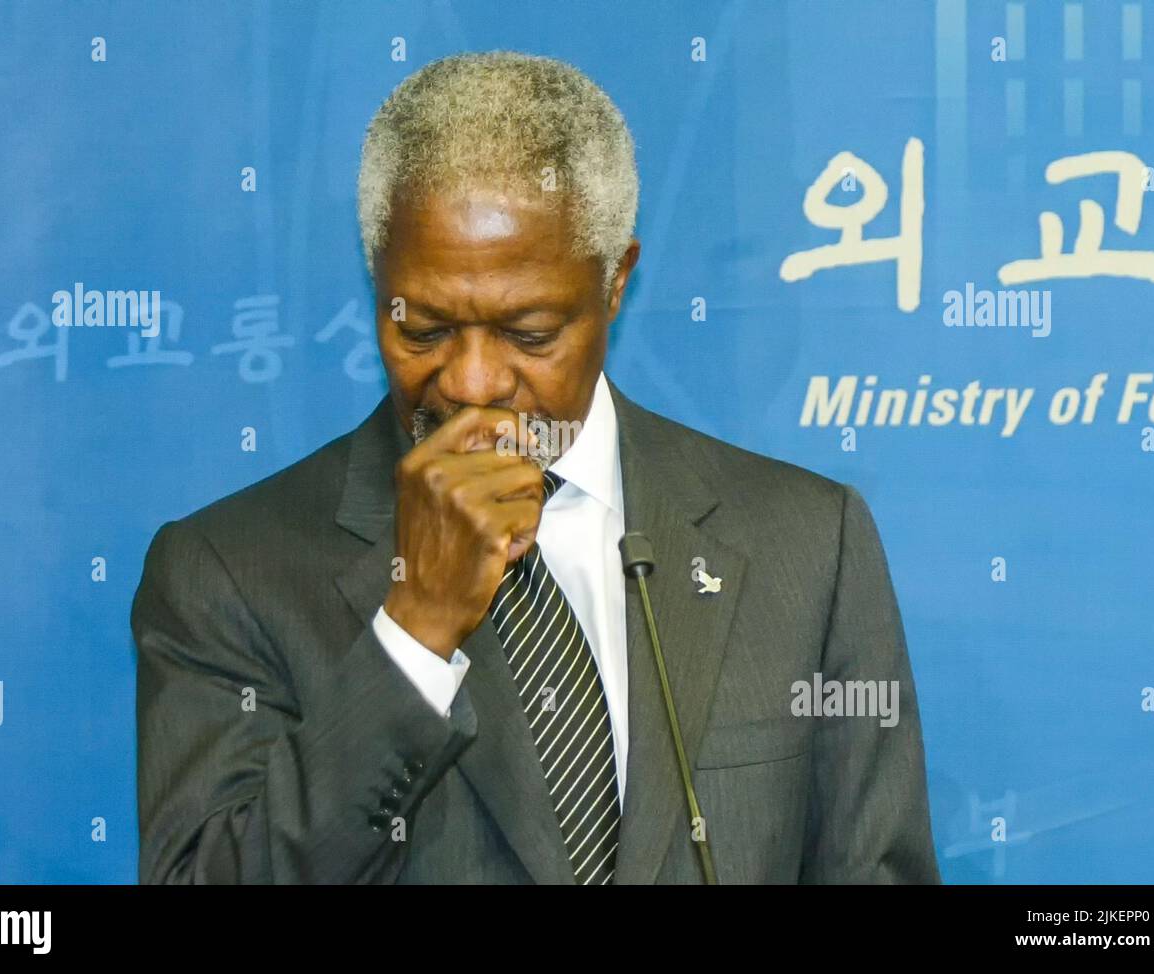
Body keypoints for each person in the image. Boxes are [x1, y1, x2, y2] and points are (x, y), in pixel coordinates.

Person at [132, 50, 939, 884]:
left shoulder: (809, 544)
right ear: (378, 280)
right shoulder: (226, 574)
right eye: (425, 329)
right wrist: (413, 632)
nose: (472, 382)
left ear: (616, 281)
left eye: (529, 333)